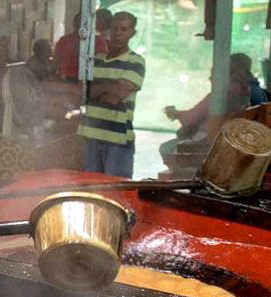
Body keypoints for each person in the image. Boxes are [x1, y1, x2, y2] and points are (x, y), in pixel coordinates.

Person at [77, 11, 145, 178]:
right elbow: (80, 92)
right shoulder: (96, 60)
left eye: (124, 29)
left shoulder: (135, 61)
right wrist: (108, 89)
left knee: (116, 194)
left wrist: (94, 91)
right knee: (89, 193)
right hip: (90, 137)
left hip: (118, 141)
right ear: (109, 29)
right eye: (115, 28)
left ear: (132, 33)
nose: (118, 33)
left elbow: (117, 96)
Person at [160, 54, 251, 160]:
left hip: (207, 144)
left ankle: (182, 173)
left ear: (223, 77)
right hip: (228, 141)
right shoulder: (244, 93)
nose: (209, 78)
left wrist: (176, 113)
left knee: (166, 148)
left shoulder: (218, 96)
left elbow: (188, 119)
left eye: (213, 75)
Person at [2, 40, 50, 137]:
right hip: (28, 103)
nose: (50, 50)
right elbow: (34, 85)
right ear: (40, 50)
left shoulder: (44, 62)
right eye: (48, 48)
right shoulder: (34, 63)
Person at [53, 12, 109, 81]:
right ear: (74, 23)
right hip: (65, 80)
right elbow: (55, 62)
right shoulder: (64, 40)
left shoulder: (98, 41)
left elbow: (102, 65)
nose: (80, 25)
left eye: (83, 22)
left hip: (89, 81)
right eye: (78, 22)